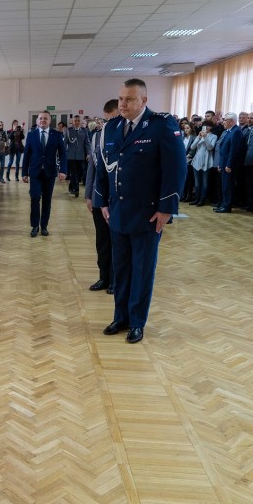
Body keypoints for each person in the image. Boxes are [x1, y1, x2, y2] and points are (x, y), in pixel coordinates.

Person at [93, 78, 185, 344]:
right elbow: (104, 167)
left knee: (142, 270)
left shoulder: (161, 125)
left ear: (144, 100)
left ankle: (137, 322)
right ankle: (120, 317)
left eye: (129, 99)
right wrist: (103, 202)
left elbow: (175, 169)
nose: (123, 104)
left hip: (148, 213)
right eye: (121, 98)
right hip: (118, 211)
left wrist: (167, 209)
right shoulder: (112, 128)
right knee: (120, 269)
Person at [84, 99, 118, 293]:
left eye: (110, 119)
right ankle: (103, 277)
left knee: (116, 242)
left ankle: (115, 279)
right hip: (99, 196)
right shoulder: (98, 136)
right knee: (102, 241)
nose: (106, 124)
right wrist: (89, 195)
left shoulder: (125, 136)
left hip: (116, 198)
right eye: (105, 120)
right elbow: (93, 167)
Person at [22, 110, 67, 237]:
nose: (43, 120)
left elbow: (63, 153)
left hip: (50, 172)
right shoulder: (31, 135)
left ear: (49, 121)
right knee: (35, 197)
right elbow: (26, 154)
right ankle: (35, 225)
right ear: (37, 121)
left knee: (47, 200)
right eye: (40, 118)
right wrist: (24, 172)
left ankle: (44, 226)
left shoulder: (57, 135)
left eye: (45, 118)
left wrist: (63, 170)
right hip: (35, 172)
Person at [189, 121, 217, 206]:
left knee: (205, 182)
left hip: (207, 160)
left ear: (211, 127)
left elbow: (210, 147)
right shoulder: (199, 135)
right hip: (197, 160)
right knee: (197, 183)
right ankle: (197, 199)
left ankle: (202, 200)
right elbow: (192, 147)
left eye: (208, 126)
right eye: (204, 126)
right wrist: (198, 137)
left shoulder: (214, 136)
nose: (206, 128)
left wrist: (205, 137)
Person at [65, 114, 90, 198]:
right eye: (75, 121)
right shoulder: (69, 130)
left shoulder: (84, 130)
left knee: (79, 173)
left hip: (81, 156)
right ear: (72, 122)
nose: (77, 122)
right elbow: (65, 143)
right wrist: (63, 154)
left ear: (80, 122)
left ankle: (71, 187)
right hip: (71, 156)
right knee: (74, 173)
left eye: (78, 121)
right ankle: (76, 189)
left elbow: (87, 143)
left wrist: (88, 153)